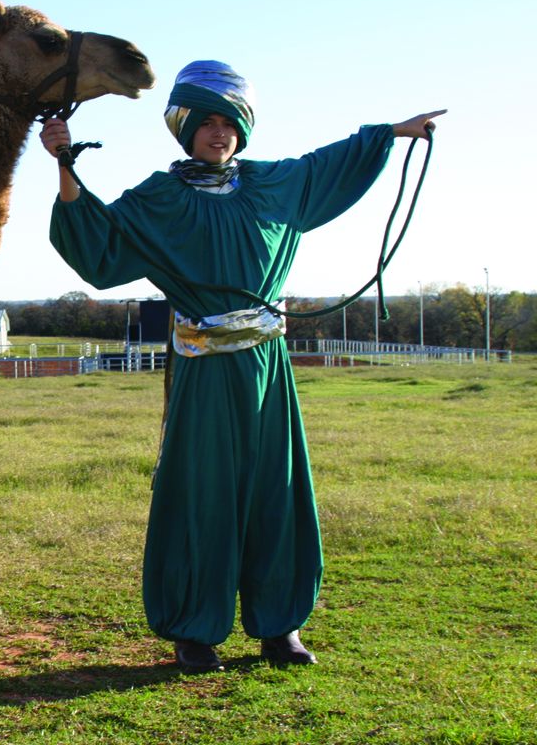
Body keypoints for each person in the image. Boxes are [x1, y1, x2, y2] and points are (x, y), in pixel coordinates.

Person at [41, 60, 444, 672]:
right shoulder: (160, 199)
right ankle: (194, 631)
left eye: (228, 123)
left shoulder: (271, 186)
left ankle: (280, 626)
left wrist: (392, 132)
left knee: (276, 491)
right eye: (206, 123)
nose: (218, 133)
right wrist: (66, 165)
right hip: (204, 372)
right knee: (203, 493)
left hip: (268, 369)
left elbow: (325, 164)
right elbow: (97, 244)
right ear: (184, 127)